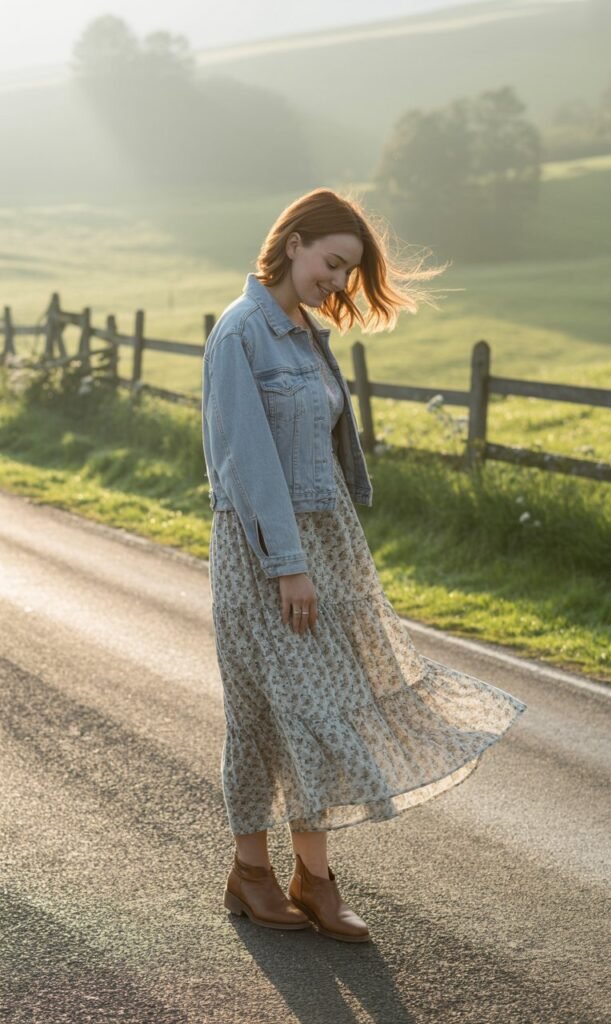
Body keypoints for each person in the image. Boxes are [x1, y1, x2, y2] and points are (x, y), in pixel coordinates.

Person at [201, 187, 527, 943]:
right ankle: (274, 877)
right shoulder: (241, 332)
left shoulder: (303, 333)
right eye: (333, 263)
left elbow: (325, 451)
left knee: (320, 706)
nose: (339, 283)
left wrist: (329, 552)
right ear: (294, 245)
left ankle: (294, 878)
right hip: (264, 553)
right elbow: (245, 465)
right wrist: (289, 565)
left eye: (349, 271)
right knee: (273, 714)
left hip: (324, 544)